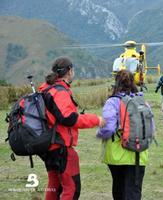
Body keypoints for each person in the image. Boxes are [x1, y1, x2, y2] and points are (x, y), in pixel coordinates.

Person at [39, 57, 105, 200]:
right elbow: (69, 118)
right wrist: (96, 119)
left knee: (54, 186)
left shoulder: (45, 88)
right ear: (69, 71)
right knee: (72, 188)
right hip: (61, 147)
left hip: (48, 146)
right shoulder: (59, 91)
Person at [97, 70, 151, 200]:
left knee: (119, 188)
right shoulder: (142, 101)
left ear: (116, 83)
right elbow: (151, 128)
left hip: (116, 155)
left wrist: (99, 133)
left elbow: (108, 128)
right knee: (134, 190)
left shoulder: (112, 102)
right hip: (139, 153)